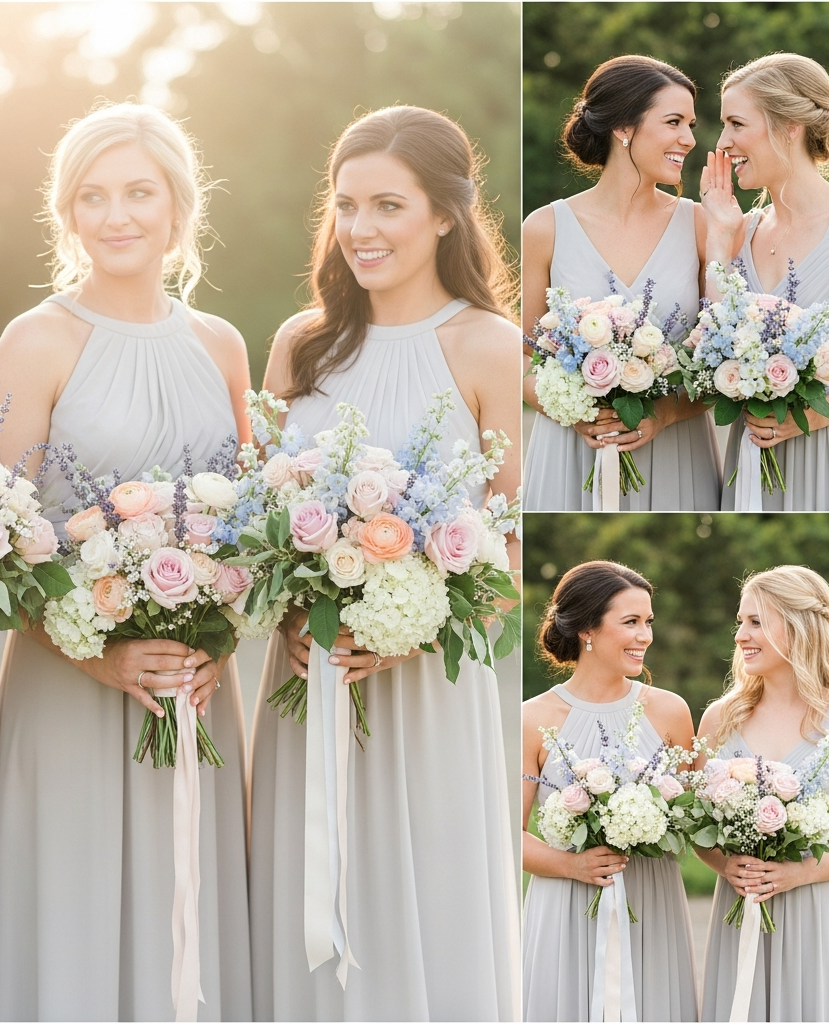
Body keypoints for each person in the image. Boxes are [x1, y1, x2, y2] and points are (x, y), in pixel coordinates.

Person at [0, 102, 252, 1021]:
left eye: (139, 192)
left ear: (178, 207)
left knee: (190, 927)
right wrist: (102, 657)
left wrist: (220, 641)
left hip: (199, 693)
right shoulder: (37, 339)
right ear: (68, 215)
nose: (116, 215)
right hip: (68, 692)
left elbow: (254, 531)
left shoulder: (221, 346)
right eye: (91, 196)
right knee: (73, 929)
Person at [249, 105, 521, 1021]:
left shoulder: (490, 347)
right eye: (347, 205)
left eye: (389, 206)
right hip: (307, 688)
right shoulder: (302, 343)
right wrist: (295, 612)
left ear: (446, 214)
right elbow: (264, 518)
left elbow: (509, 552)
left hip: (428, 696)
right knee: (305, 922)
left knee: (427, 913)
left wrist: (409, 631)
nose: (361, 230)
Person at [522, 55, 721, 511]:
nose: (688, 139)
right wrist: (575, 416)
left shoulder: (701, 224)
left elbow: (722, 360)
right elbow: (526, 361)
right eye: (673, 122)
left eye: (690, 124)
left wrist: (666, 413)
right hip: (572, 453)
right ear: (624, 127)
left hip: (674, 451)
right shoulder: (546, 227)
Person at [522, 560, 698, 1022]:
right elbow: (504, 834)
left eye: (648, 622)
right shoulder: (531, 719)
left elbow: (697, 817)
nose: (646, 636)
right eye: (631, 622)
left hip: (651, 901)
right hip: (566, 903)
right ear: (587, 630)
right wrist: (571, 863)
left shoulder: (670, 711)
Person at [695, 565, 829, 1021]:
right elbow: (696, 826)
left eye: (756, 622)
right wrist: (727, 863)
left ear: (798, 627)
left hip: (820, 914)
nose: (740, 635)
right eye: (740, 622)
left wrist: (803, 873)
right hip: (739, 908)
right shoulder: (719, 719)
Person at [700, 53, 829, 510]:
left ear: (790, 125)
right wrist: (719, 237)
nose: (722, 142)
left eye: (737, 124)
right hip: (751, 460)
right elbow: (717, 340)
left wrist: (804, 419)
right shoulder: (745, 228)